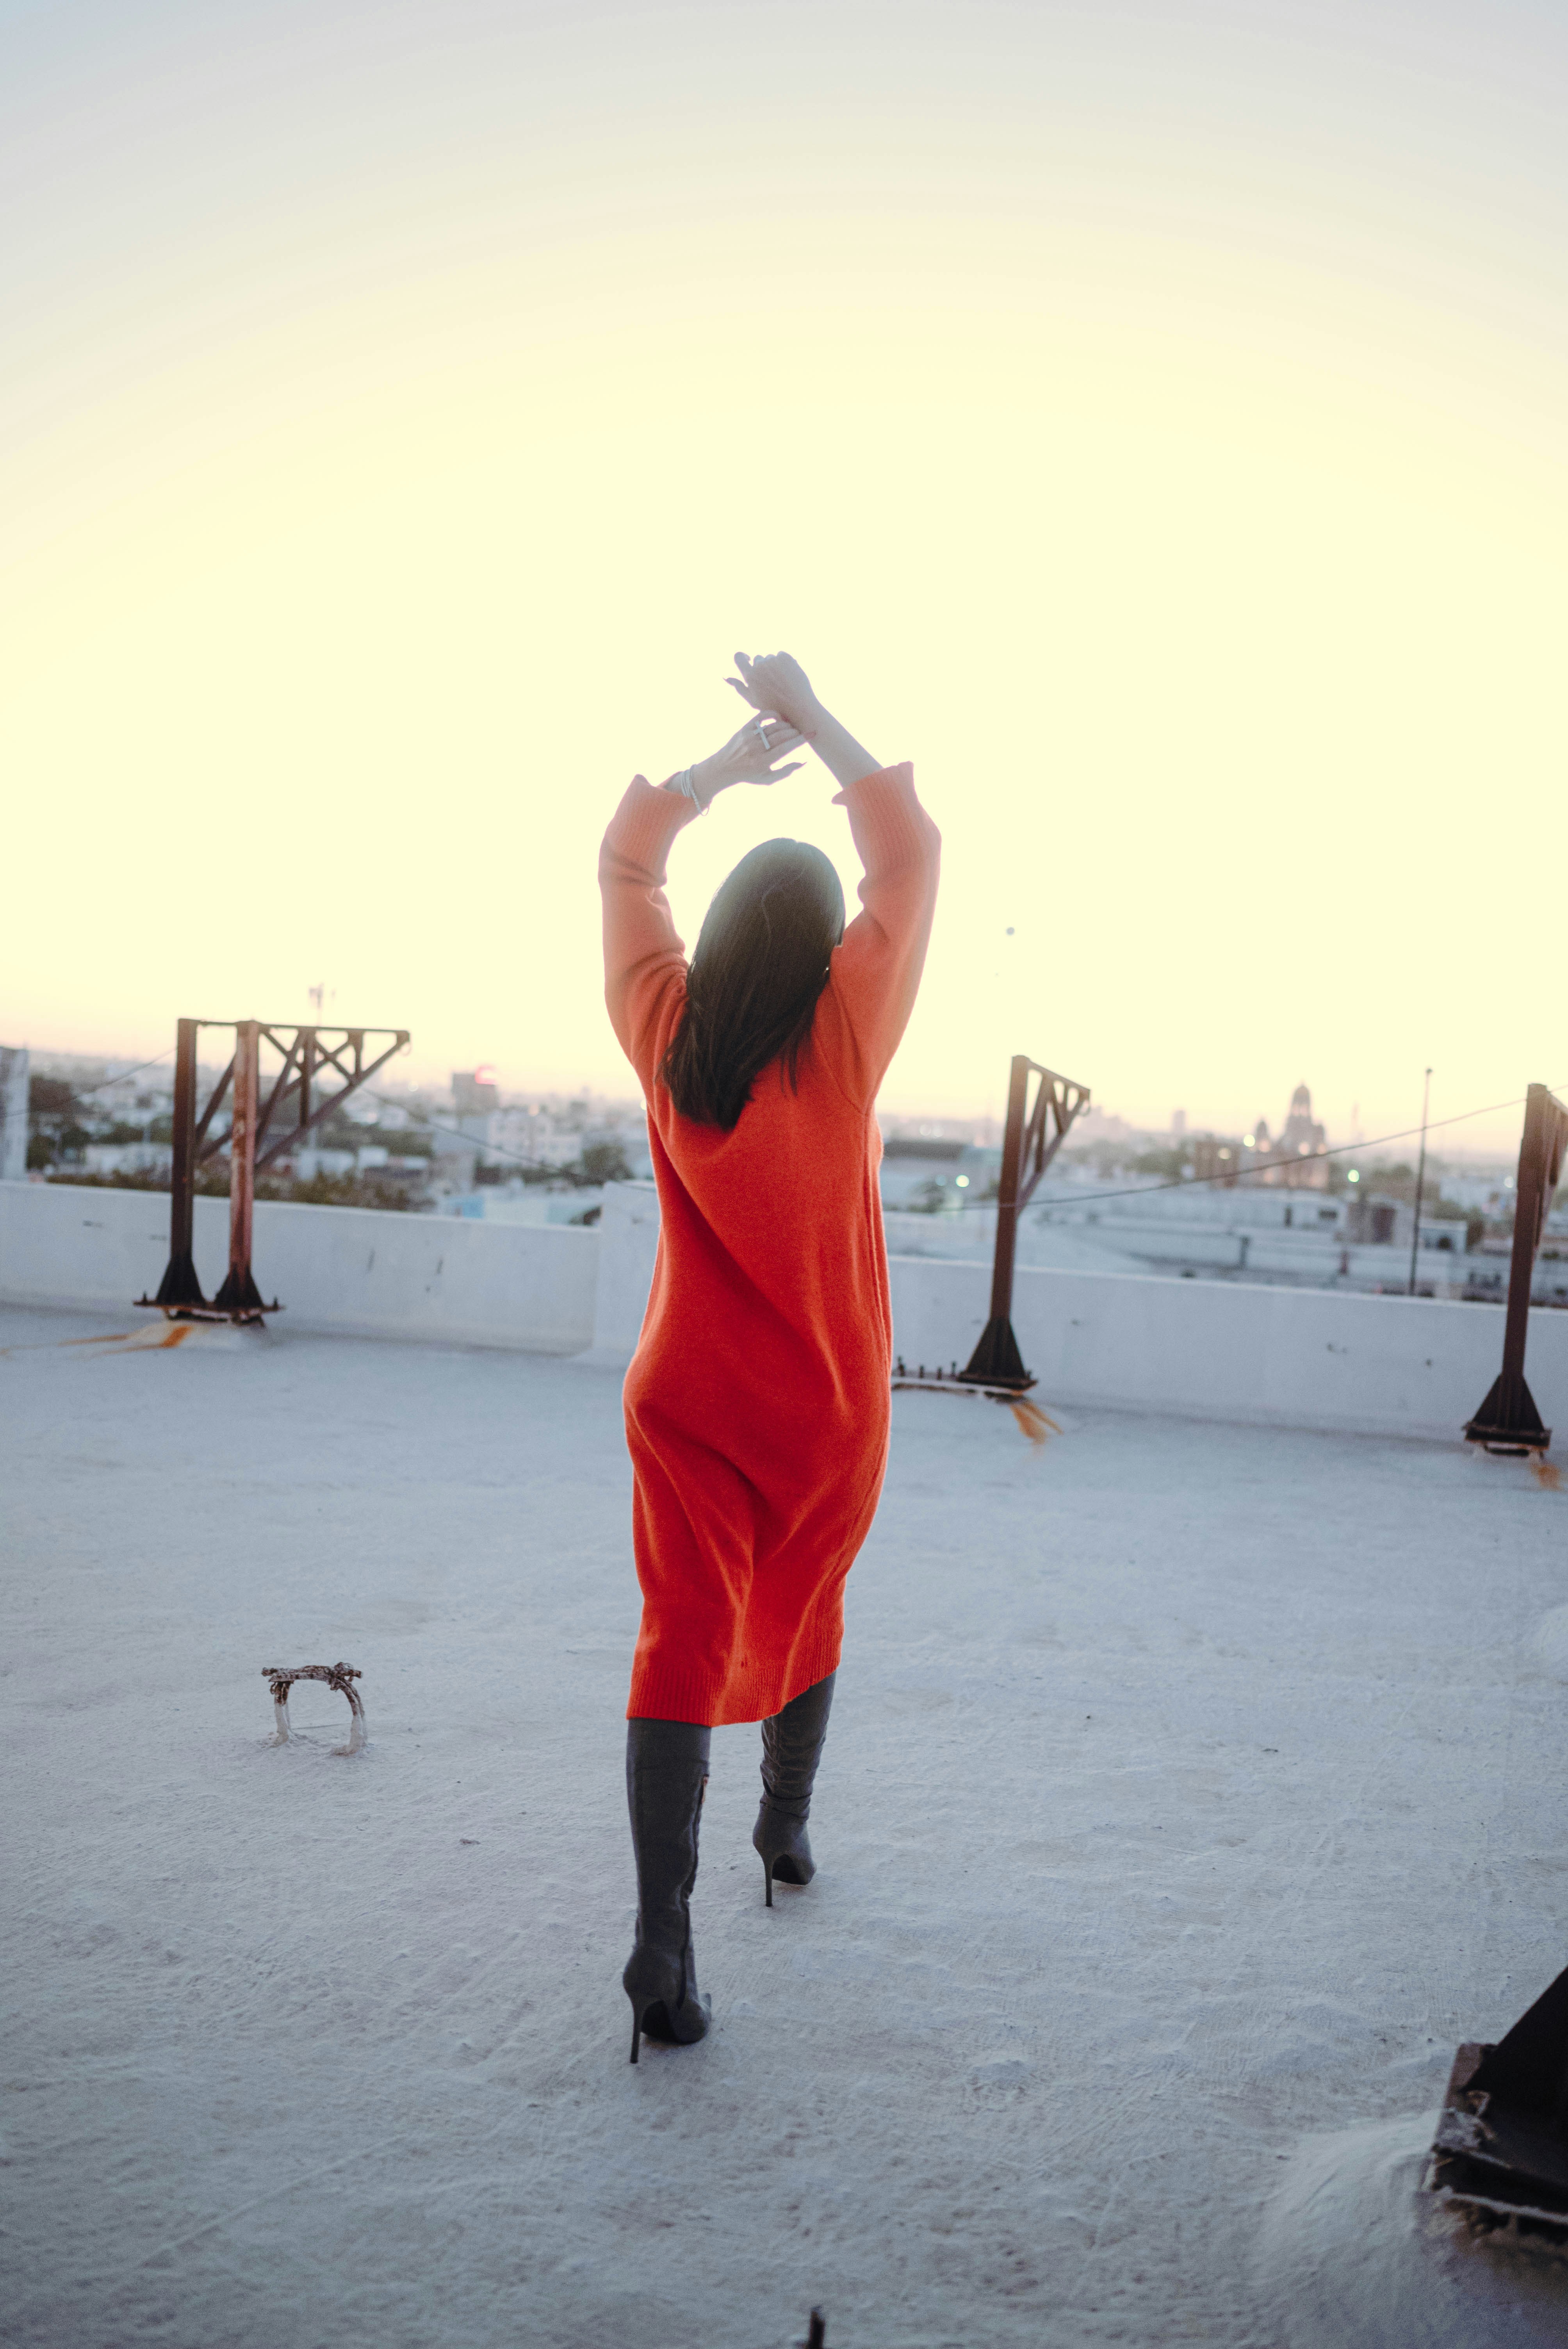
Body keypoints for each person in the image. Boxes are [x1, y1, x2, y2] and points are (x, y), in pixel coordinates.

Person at [599, 650, 941, 2062]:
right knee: (811, 1599)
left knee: (679, 1642)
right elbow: (911, 860)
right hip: (827, 1404)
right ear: (817, 955)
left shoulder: (667, 1035)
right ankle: (784, 1834)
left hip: (683, 1403)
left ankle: (662, 1939)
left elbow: (624, 872)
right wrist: (813, 722)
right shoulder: (843, 1043)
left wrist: (708, 779)